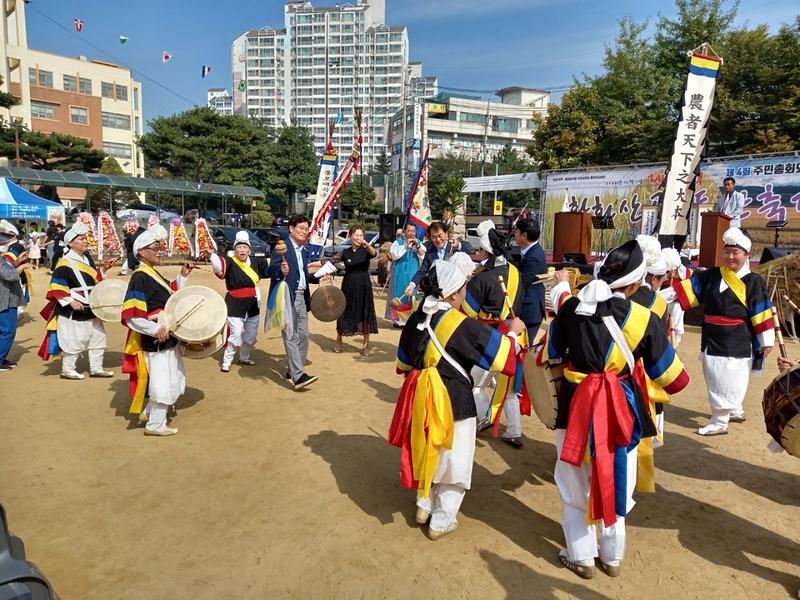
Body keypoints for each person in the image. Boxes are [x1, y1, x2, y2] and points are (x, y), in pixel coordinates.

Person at [541, 240, 689, 579]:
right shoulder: (643, 318)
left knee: (574, 479)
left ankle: (580, 555)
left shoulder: (571, 309)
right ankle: (612, 556)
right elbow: (674, 379)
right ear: (636, 283)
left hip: (575, 404)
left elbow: (553, 351)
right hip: (622, 407)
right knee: (618, 478)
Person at [388, 259, 525, 540]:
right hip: (454, 399)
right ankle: (441, 520)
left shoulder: (415, 316)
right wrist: (514, 332)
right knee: (455, 459)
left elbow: (403, 363)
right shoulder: (459, 324)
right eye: (463, 287)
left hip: (420, 396)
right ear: (452, 294)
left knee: (429, 449)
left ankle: (423, 503)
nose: (466, 292)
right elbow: (502, 356)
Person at [673, 227, 774, 436]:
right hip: (712, 335)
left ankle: (720, 421)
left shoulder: (753, 281)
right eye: (727, 252)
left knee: (729, 377)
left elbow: (761, 311)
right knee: (715, 374)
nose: (730, 257)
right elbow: (686, 292)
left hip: (737, 337)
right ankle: (734, 410)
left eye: (735, 252)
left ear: (746, 255)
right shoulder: (712, 275)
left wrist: (766, 340)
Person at [121, 225, 194, 436]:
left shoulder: (151, 273)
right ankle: (155, 425)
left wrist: (183, 276)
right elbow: (133, 313)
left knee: (172, 375)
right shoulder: (140, 276)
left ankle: (150, 412)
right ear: (141, 252)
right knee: (164, 378)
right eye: (155, 247)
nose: (159, 250)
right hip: (157, 337)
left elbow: (169, 297)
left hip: (165, 334)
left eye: (159, 246)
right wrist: (154, 330)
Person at [462, 220, 527, 448]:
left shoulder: (482, 278)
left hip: (488, 337)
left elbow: (468, 310)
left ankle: (482, 418)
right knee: (508, 386)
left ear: (485, 250)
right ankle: (514, 431)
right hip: (514, 334)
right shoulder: (516, 273)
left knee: (475, 383)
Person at [39, 222, 113, 380]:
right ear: (70, 243)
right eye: (81, 238)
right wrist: (70, 301)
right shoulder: (64, 262)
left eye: (85, 238)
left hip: (91, 304)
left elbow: (91, 279)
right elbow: (56, 285)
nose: (85, 241)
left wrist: (104, 270)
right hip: (74, 305)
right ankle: (68, 369)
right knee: (74, 338)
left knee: (98, 337)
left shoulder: (86, 259)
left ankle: (96, 367)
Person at [266, 214, 330, 390]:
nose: (304, 231)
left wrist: (317, 277)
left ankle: (293, 369)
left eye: (306, 229)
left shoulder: (303, 251)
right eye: (301, 228)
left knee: (303, 336)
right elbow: (270, 270)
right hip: (287, 295)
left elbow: (303, 276)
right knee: (291, 334)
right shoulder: (282, 248)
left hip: (302, 296)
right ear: (291, 229)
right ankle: (298, 375)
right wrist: (280, 269)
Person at [210, 230, 270, 372]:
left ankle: (244, 356)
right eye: (239, 247)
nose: (242, 250)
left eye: (245, 247)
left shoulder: (257, 261)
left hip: (253, 301)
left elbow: (270, 268)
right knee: (236, 335)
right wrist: (211, 255)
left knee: (250, 335)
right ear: (235, 248)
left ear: (249, 249)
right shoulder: (229, 262)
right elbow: (219, 266)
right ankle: (227, 360)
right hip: (235, 302)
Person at [335, 224, 378, 355]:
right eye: (356, 235)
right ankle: (339, 338)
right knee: (344, 311)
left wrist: (367, 244)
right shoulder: (345, 251)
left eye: (361, 235)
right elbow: (332, 261)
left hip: (364, 285)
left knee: (365, 312)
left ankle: (365, 344)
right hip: (348, 284)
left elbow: (374, 253)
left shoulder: (366, 250)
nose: (359, 238)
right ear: (350, 236)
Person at [0, 230, 32, 371]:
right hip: (4, 300)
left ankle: (1, 358)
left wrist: (18, 261)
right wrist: (22, 266)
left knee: (6, 331)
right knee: (8, 331)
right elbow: (9, 275)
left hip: (8, 299)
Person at [404, 221, 462, 297]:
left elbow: (466, 248)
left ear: (446, 234)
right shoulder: (430, 252)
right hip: (436, 293)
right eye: (434, 237)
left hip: (454, 293)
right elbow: (422, 271)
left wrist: (458, 245)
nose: (437, 240)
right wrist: (412, 285)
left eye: (440, 236)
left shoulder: (454, 247)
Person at [513, 218, 547, 345]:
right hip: (527, 308)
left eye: (517, 232)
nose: (515, 235)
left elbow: (521, 281)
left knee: (522, 347)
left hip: (530, 311)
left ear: (524, 236)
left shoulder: (534, 257)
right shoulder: (530, 251)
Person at [386, 223, 424, 327]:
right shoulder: (397, 242)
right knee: (398, 293)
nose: (411, 233)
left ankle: (409, 319)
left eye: (413, 231)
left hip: (413, 272)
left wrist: (418, 245)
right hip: (399, 272)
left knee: (412, 295)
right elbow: (394, 255)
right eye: (409, 231)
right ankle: (397, 320)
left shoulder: (419, 242)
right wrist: (406, 246)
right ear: (404, 232)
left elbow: (423, 256)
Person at [1, 220, 31, 315]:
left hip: (17, 278)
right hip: (8, 278)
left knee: (14, 301)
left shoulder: (17, 246)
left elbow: (9, 263)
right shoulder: (6, 246)